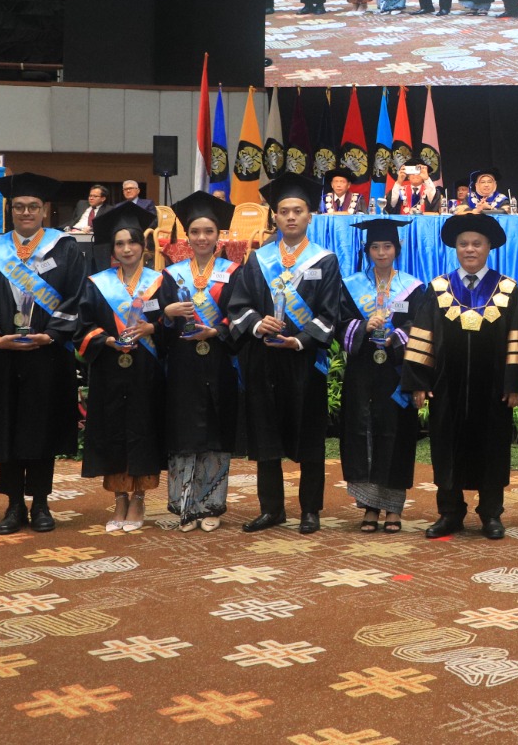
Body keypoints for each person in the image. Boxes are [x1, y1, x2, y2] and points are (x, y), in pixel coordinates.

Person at [0, 172, 87, 535]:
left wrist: (53, 334)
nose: (26, 212)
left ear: (44, 210)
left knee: (43, 428)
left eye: (32, 206)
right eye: (19, 207)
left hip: (48, 356)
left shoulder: (65, 248)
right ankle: (14, 504)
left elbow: (78, 297)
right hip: (4, 356)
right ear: (10, 211)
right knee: (8, 427)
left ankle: (42, 503)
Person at [225, 172, 341, 534]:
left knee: (309, 436)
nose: (290, 217)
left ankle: (310, 510)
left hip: (305, 362)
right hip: (264, 360)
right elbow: (238, 305)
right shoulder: (258, 260)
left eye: (298, 211)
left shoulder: (325, 261)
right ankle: (271, 508)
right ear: (273, 216)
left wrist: (300, 340)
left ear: (309, 216)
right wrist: (259, 325)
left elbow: (329, 314)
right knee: (265, 435)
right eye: (284, 211)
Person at [402, 214, 518, 539]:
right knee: (446, 446)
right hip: (448, 386)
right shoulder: (439, 288)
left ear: (488, 248)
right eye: (463, 244)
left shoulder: (506, 289)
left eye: (477, 244)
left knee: (492, 448)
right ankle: (450, 513)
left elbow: (517, 337)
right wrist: (418, 381)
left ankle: (491, 514)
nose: (470, 249)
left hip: (493, 388)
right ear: (455, 248)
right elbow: (423, 335)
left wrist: (514, 383)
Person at [76, 202, 175, 533]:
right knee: (113, 429)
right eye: (119, 244)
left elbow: (171, 324)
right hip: (110, 370)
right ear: (113, 249)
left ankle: (140, 499)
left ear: (144, 246)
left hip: (147, 371)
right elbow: (82, 326)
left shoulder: (160, 282)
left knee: (144, 428)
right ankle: (120, 497)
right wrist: (104, 340)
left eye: (132, 242)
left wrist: (152, 329)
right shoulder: (97, 283)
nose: (126, 248)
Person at [157, 191, 241, 532]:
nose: (202, 238)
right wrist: (167, 313)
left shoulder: (234, 273)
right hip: (182, 364)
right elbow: (158, 324)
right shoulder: (170, 275)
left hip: (220, 361)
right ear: (187, 237)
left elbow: (240, 316)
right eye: (195, 232)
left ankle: (211, 506)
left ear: (218, 236)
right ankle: (185, 506)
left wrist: (217, 330)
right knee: (184, 428)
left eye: (208, 231)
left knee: (216, 429)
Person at [339, 219, 428, 534]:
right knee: (363, 432)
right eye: (375, 247)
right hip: (362, 370)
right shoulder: (351, 285)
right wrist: (363, 326)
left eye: (387, 246)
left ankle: (392, 508)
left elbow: (421, 325)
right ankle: (369, 507)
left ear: (397, 249)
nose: (381, 252)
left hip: (396, 372)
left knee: (396, 434)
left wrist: (397, 336)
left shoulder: (413, 287)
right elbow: (341, 323)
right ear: (368, 250)